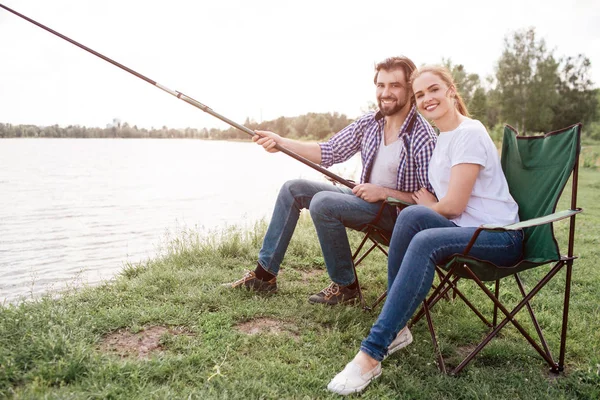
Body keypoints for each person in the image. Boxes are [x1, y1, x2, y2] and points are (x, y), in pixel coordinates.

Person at [327, 65, 524, 395]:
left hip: (499, 238)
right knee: (410, 218)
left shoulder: (469, 133)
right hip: (466, 229)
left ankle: (370, 355)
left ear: (451, 89)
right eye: (419, 95)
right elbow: (442, 204)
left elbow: (453, 205)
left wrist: (434, 204)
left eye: (433, 89)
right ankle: (399, 327)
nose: (427, 99)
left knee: (425, 237)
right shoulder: (444, 137)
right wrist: (429, 204)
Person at [226, 56, 437, 305]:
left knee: (324, 202)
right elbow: (329, 150)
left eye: (394, 85)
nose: (385, 92)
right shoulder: (371, 122)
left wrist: (383, 192)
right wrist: (281, 142)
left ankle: (346, 288)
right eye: (380, 85)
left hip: (399, 217)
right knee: (293, 189)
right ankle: (264, 276)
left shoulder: (422, 135)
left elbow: (431, 201)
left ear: (410, 90)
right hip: (365, 200)